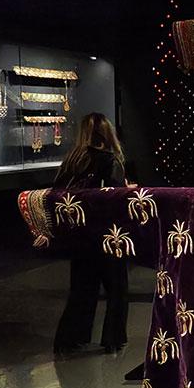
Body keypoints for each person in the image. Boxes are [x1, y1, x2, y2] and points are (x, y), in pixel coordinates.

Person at [52, 112, 130, 355]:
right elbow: (114, 197)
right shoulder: (110, 160)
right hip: (107, 234)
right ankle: (113, 338)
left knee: (81, 288)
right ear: (107, 132)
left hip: (80, 235)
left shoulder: (71, 162)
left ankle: (70, 337)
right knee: (116, 288)